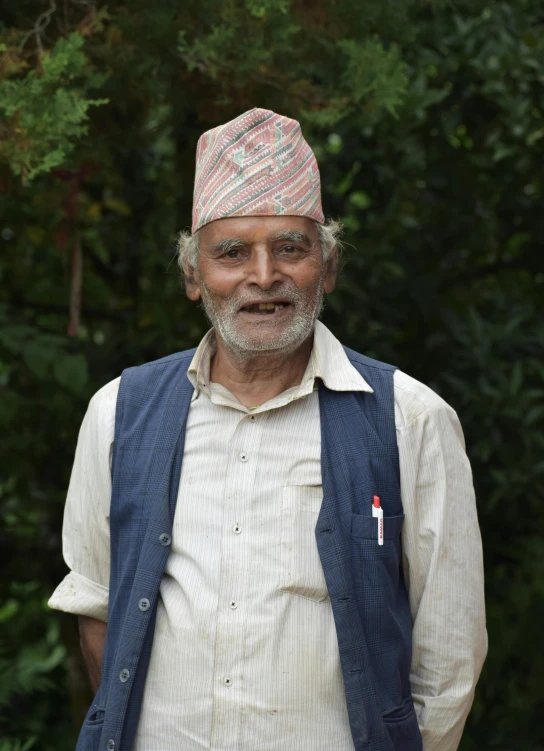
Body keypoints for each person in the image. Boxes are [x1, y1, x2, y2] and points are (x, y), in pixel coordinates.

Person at [49, 108, 487, 751]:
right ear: (194, 277)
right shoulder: (119, 412)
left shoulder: (410, 419)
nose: (263, 276)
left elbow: (448, 654)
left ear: (327, 268)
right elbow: (97, 612)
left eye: (290, 248)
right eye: (231, 253)